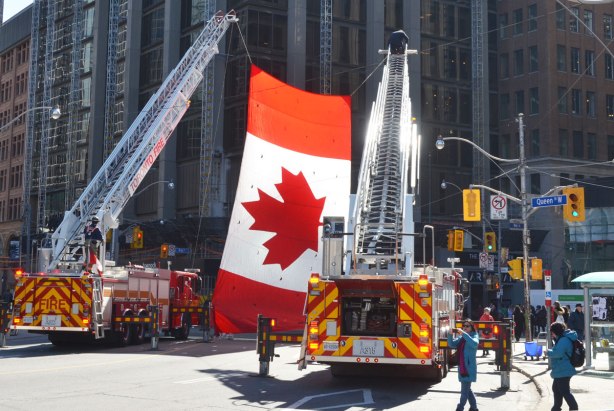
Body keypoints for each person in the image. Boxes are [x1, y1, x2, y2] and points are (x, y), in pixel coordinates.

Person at [448, 319, 480, 411]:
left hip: (469, 368)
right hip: (462, 367)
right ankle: (474, 408)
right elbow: (452, 344)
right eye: (464, 326)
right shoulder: (462, 337)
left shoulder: (474, 336)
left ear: (472, 327)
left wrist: (463, 334)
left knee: (464, 391)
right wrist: (450, 334)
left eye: (467, 326)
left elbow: (474, 344)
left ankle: (460, 408)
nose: (465, 327)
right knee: (467, 390)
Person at [548, 322, 579, 411]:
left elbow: (558, 353)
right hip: (561, 369)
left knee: (565, 391)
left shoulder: (563, 340)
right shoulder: (562, 339)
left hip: (564, 369)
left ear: (555, 331)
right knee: (556, 389)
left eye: (552, 332)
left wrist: (548, 352)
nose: (552, 335)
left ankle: (574, 408)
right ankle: (556, 408)